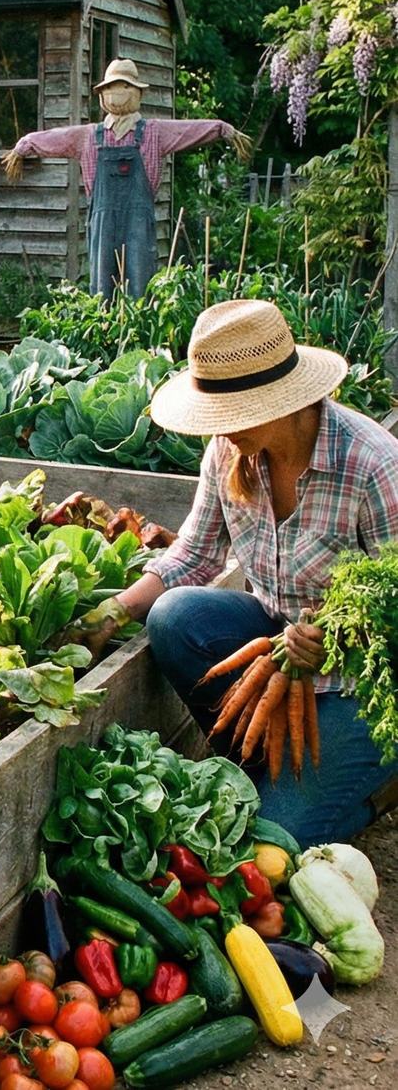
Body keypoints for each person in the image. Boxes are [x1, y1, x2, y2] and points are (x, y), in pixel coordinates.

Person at [68, 299, 398, 846]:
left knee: (272, 839)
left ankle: (369, 773)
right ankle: (267, 760)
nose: (220, 429)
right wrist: (114, 611)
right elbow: (194, 554)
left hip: (363, 686)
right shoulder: (230, 451)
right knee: (175, 615)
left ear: (284, 400)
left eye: (235, 412)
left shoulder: (373, 466)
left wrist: (336, 637)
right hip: (274, 654)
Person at [2, 58, 251, 298]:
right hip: (102, 222)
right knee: (102, 292)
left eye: (124, 86)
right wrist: (25, 145)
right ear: (102, 95)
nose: (117, 92)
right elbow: (57, 136)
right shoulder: (89, 136)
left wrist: (221, 129)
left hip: (138, 223)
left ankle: (140, 338)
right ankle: (105, 337)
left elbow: (189, 129)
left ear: (137, 93)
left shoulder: (154, 133)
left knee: (140, 291)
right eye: (111, 87)